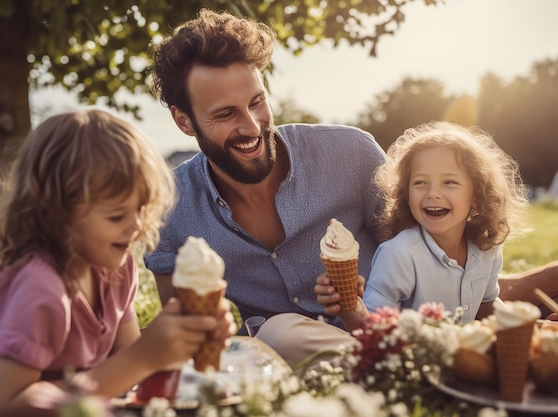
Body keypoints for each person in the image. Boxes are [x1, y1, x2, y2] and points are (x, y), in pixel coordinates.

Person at [144, 9, 558, 364]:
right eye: (225, 114)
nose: (252, 127)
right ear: (184, 121)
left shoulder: (348, 152)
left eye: (256, 101)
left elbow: (433, 263)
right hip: (295, 347)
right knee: (281, 333)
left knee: (509, 292)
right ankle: (416, 363)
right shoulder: (170, 205)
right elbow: (184, 331)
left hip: (401, 316)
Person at [0, 109, 233, 417]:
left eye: (141, 209)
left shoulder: (117, 269)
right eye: (116, 215)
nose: (136, 226)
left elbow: (125, 369)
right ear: (57, 214)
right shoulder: (42, 288)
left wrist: (177, 344)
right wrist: (143, 358)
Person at [342, 121, 530, 329]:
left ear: (477, 195)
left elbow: (486, 306)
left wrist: (526, 326)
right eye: (420, 182)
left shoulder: (487, 248)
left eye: (449, 182)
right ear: (405, 193)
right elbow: (374, 326)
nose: (432, 193)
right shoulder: (398, 255)